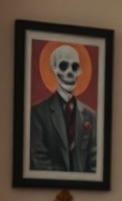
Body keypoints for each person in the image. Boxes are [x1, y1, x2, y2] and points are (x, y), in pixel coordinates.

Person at [30, 44, 97, 173]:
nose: (70, 72)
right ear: (54, 70)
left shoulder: (91, 116)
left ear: (79, 72)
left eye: (75, 67)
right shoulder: (38, 114)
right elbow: (38, 159)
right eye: (63, 66)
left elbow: (95, 162)